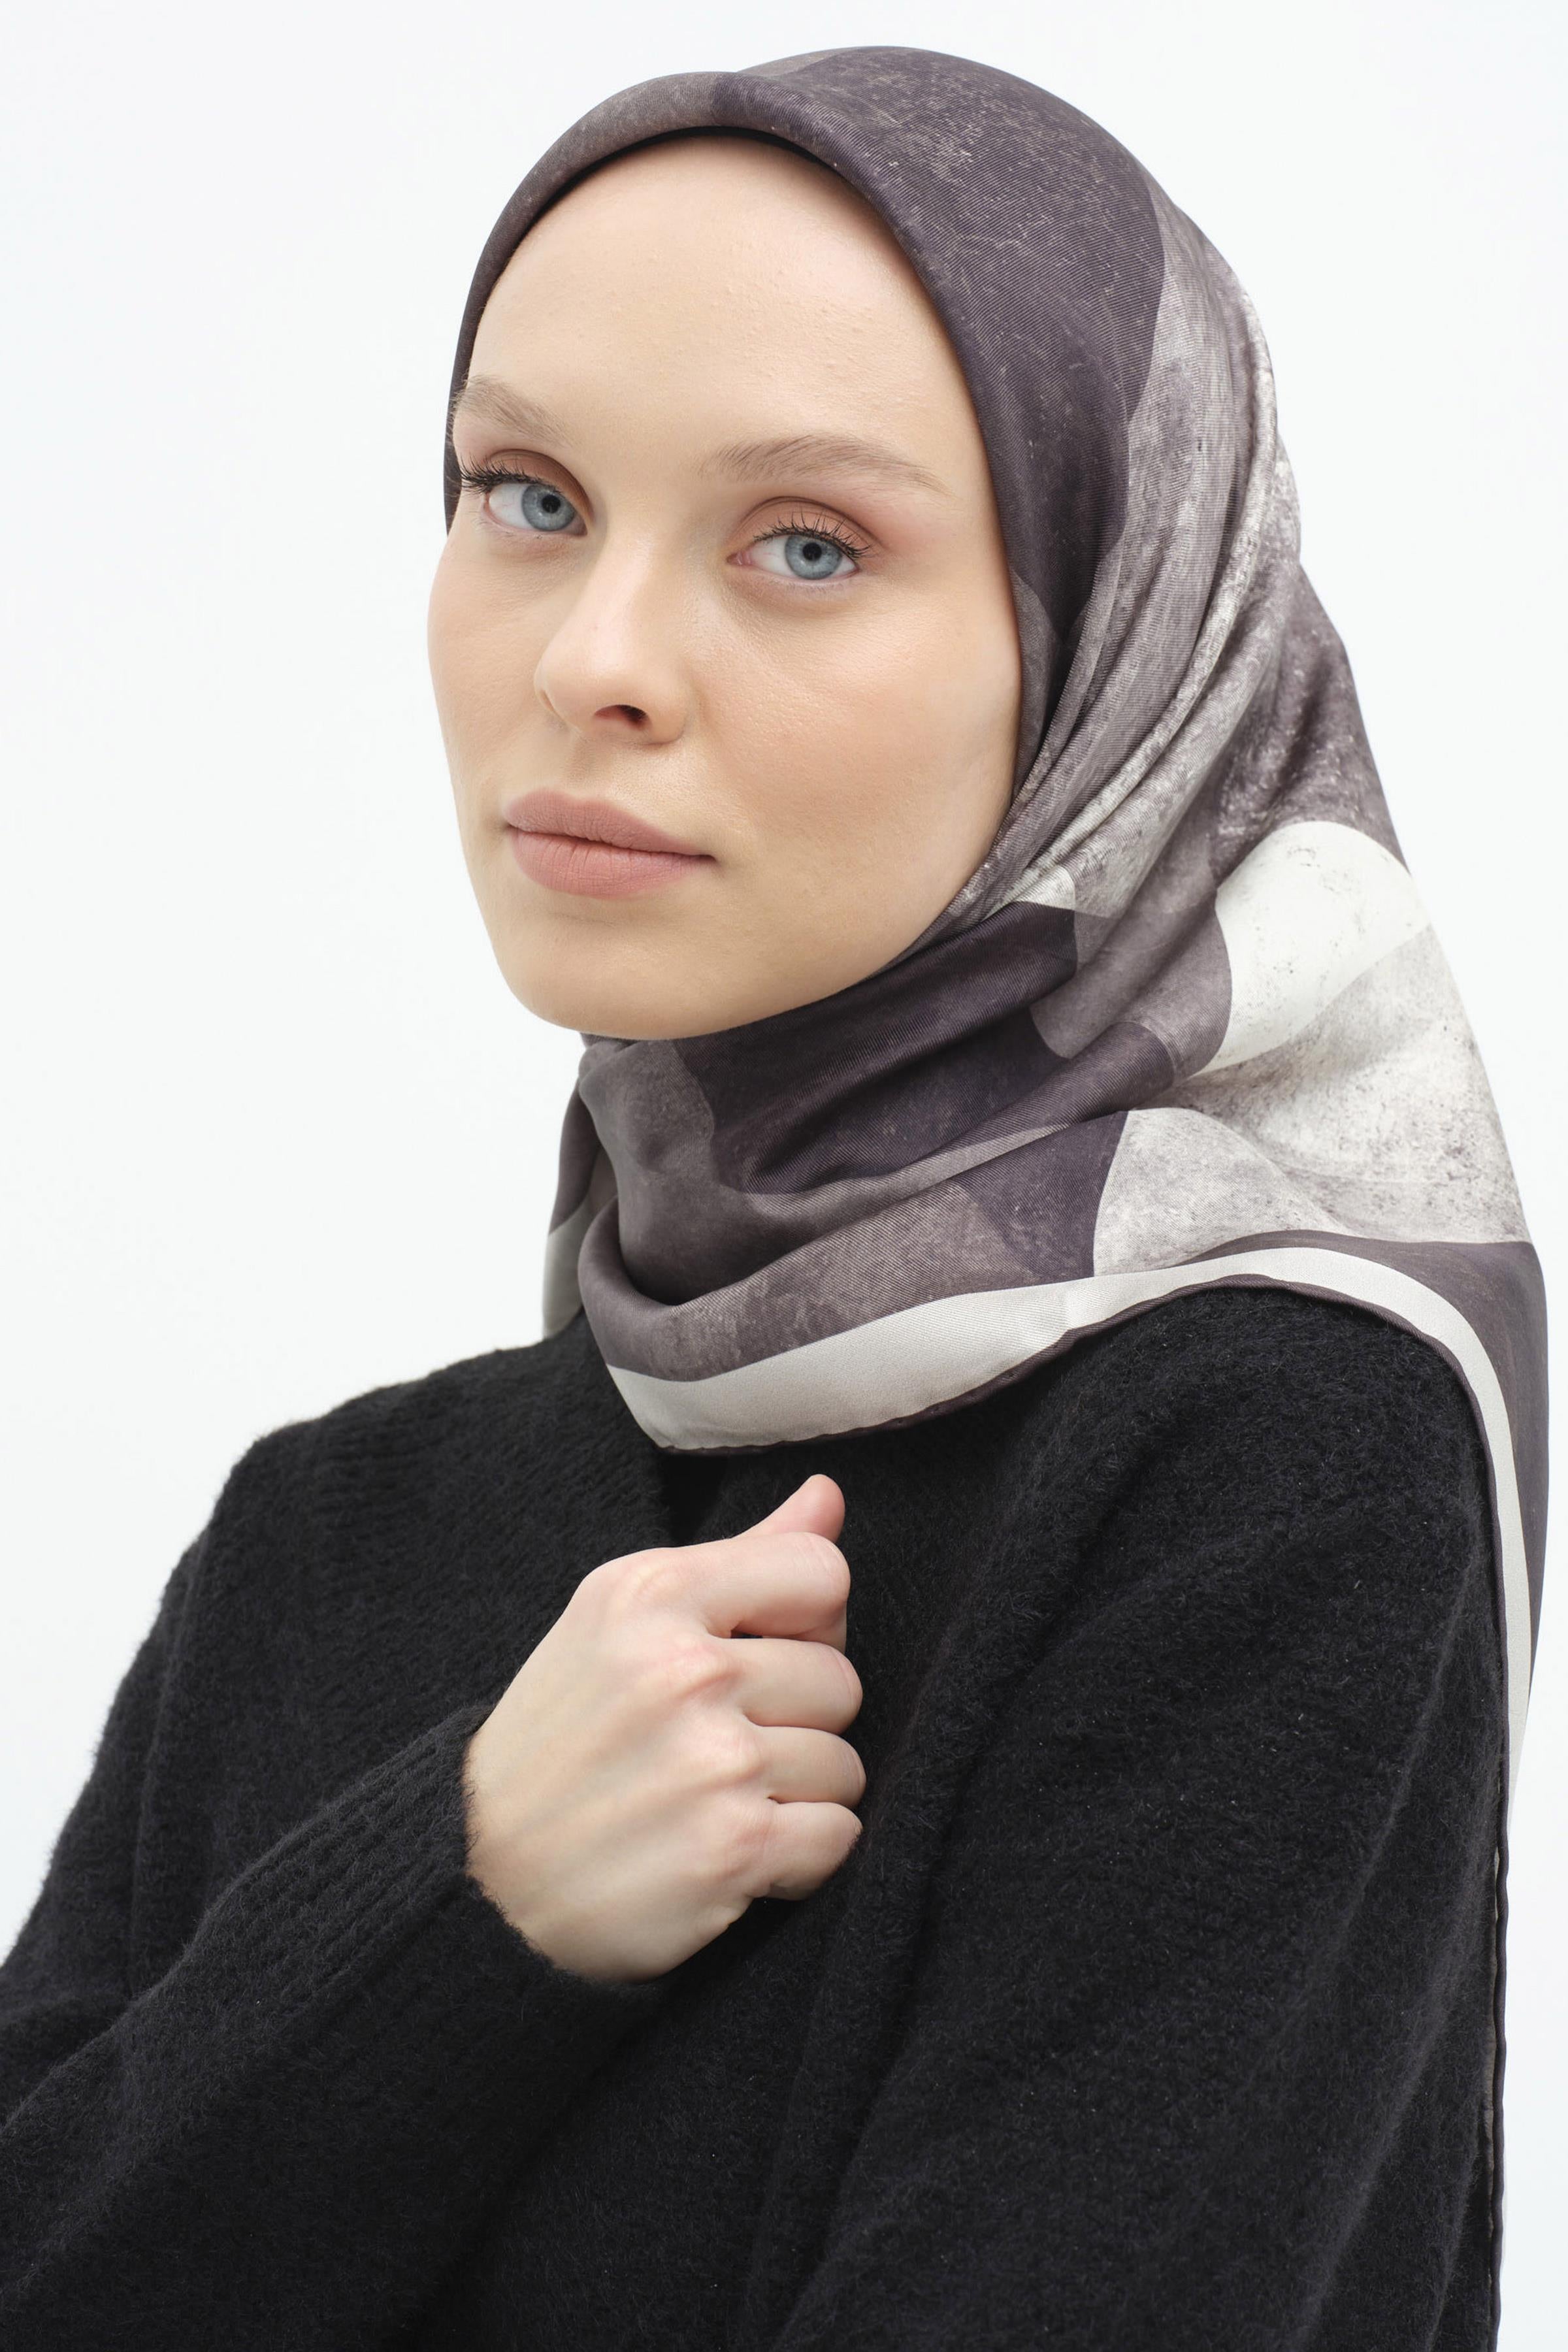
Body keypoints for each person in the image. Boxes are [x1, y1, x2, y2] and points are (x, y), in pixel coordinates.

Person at [0, 45, 1546, 2352]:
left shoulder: (1272, 1460)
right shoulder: (320, 1531)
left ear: (1114, 650)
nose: (593, 662)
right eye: (526, 496)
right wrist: (462, 1899)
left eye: (808, 545)